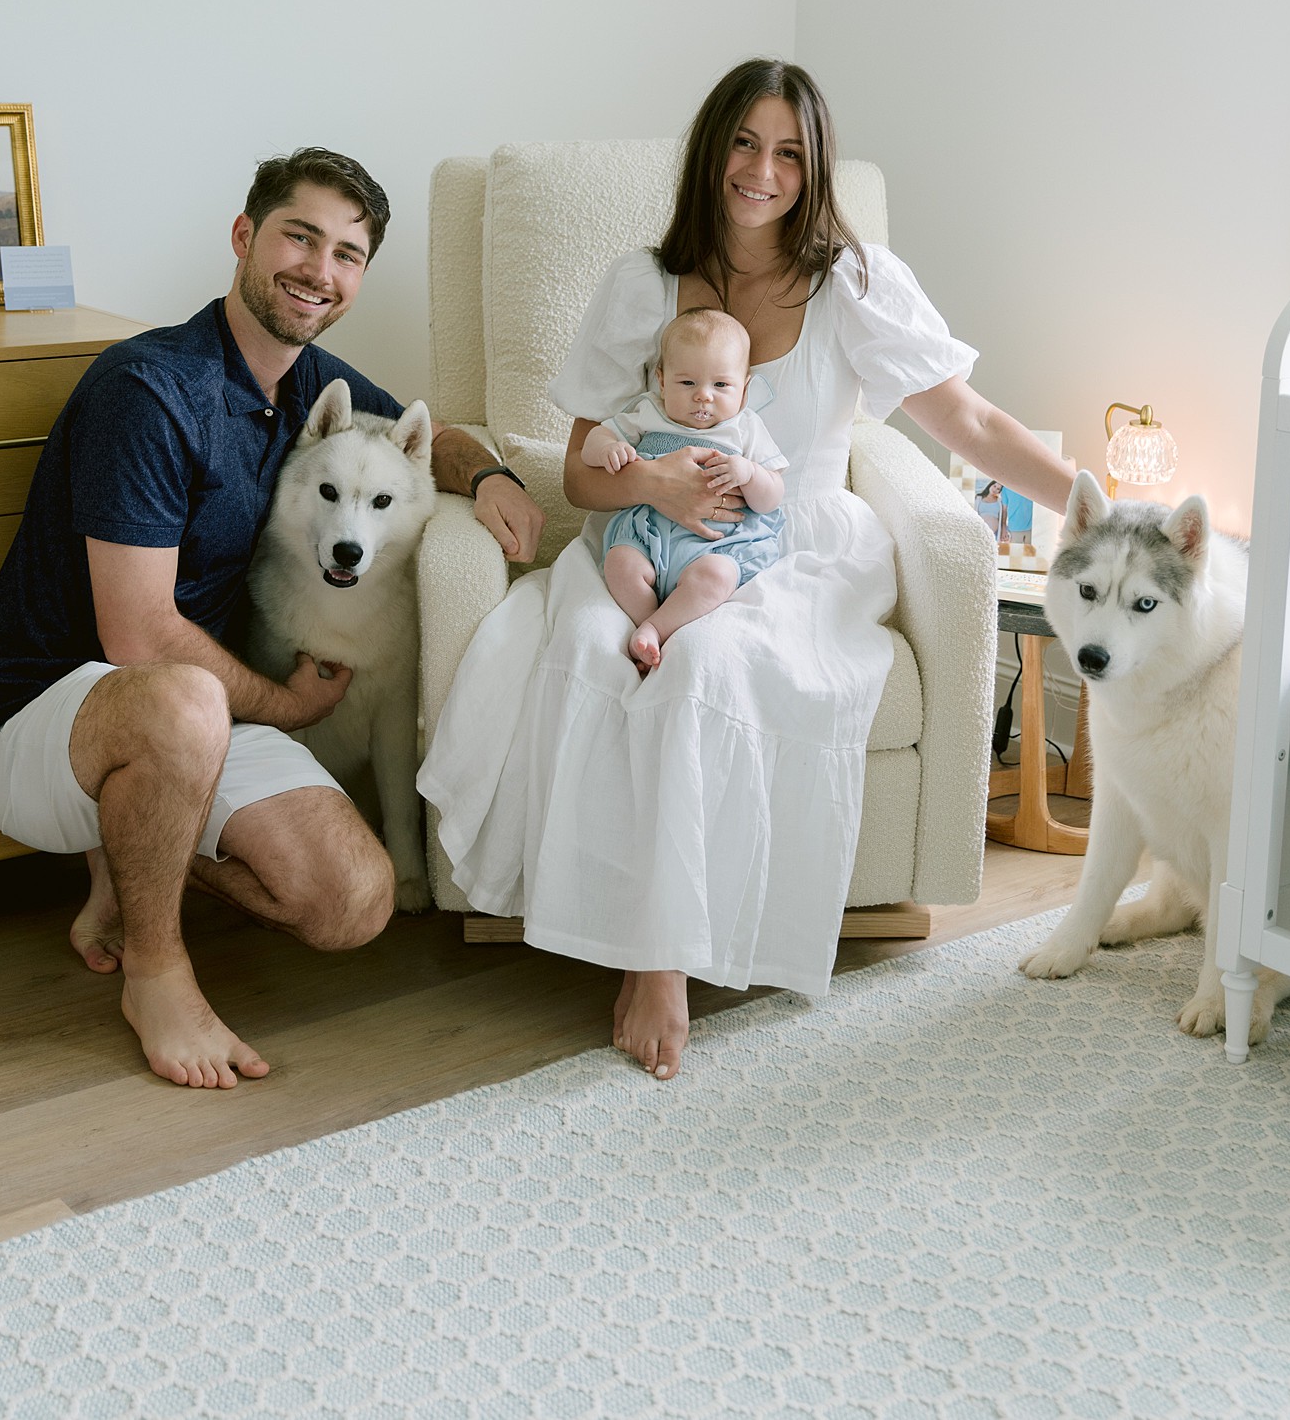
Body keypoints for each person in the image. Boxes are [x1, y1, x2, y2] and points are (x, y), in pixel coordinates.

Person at [418, 60, 1072, 1081]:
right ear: (711, 149)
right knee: (593, 643)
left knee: (701, 669)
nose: (762, 170)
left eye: (790, 152)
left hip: (795, 544)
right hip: (651, 531)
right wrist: (657, 487)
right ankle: (590, 912)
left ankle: (661, 957)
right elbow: (589, 478)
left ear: (813, 171)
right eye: (743, 143)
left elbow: (974, 421)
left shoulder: (855, 282)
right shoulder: (644, 282)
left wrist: (1092, 497)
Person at [0, 146, 544, 1091]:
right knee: (181, 694)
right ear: (244, 237)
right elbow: (137, 639)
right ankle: (158, 974)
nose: (320, 270)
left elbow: (417, 439)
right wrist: (285, 704)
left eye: (346, 254)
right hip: (41, 712)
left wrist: (490, 475)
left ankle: (131, 847)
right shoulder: (147, 392)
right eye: (299, 237)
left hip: (190, 720)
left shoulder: (312, 388)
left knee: (358, 901)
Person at [585, 307, 787, 671]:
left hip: (715, 545)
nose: (703, 397)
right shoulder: (649, 412)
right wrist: (607, 448)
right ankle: (650, 623)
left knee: (718, 577)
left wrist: (749, 473)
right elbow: (592, 440)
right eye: (687, 383)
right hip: (648, 538)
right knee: (620, 565)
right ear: (662, 381)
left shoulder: (745, 427)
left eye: (721, 385)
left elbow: (773, 495)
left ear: (744, 386)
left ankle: (656, 629)